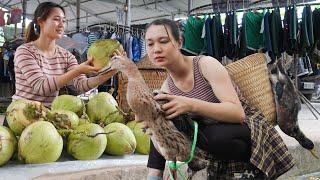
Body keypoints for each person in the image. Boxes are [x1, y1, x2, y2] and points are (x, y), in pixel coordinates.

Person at [137, 19, 294, 180]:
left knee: (211, 136)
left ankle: (253, 170)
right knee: (158, 119)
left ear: (179, 42)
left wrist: (190, 104)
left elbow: (237, 113)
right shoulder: (167, 88)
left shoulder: (205, 65)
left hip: (245, 129)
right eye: (150, 44)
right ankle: (153, 176)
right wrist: (153, 128)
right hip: (207, 137)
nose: (156, 49)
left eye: (163, 41)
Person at [3, 2, 116, 125]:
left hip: (47, 118)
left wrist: (111, 71)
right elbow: (41, 87)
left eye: (64, 21)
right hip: (20, 117)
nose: (62, 25)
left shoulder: (66, 56)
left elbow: (81, 85)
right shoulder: (24, 51)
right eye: (56, 19)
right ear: (41, 22)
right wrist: (78, 70)